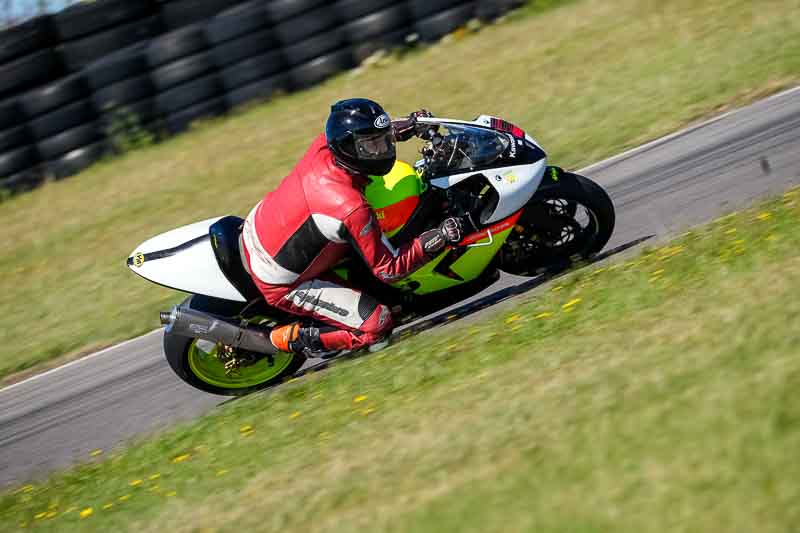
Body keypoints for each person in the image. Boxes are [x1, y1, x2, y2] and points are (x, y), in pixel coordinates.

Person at [239, 98, 464, 356]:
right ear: (348, 150)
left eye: (381, 141)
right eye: (372, 146)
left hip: (262, 226)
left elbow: (360, 134)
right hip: (280, 280)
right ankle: (289, 338)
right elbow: (389, 269)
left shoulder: (324, 146)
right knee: (377, 324)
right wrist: (441, 236)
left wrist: (406, 127)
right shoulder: (351, 207)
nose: (383, 150)